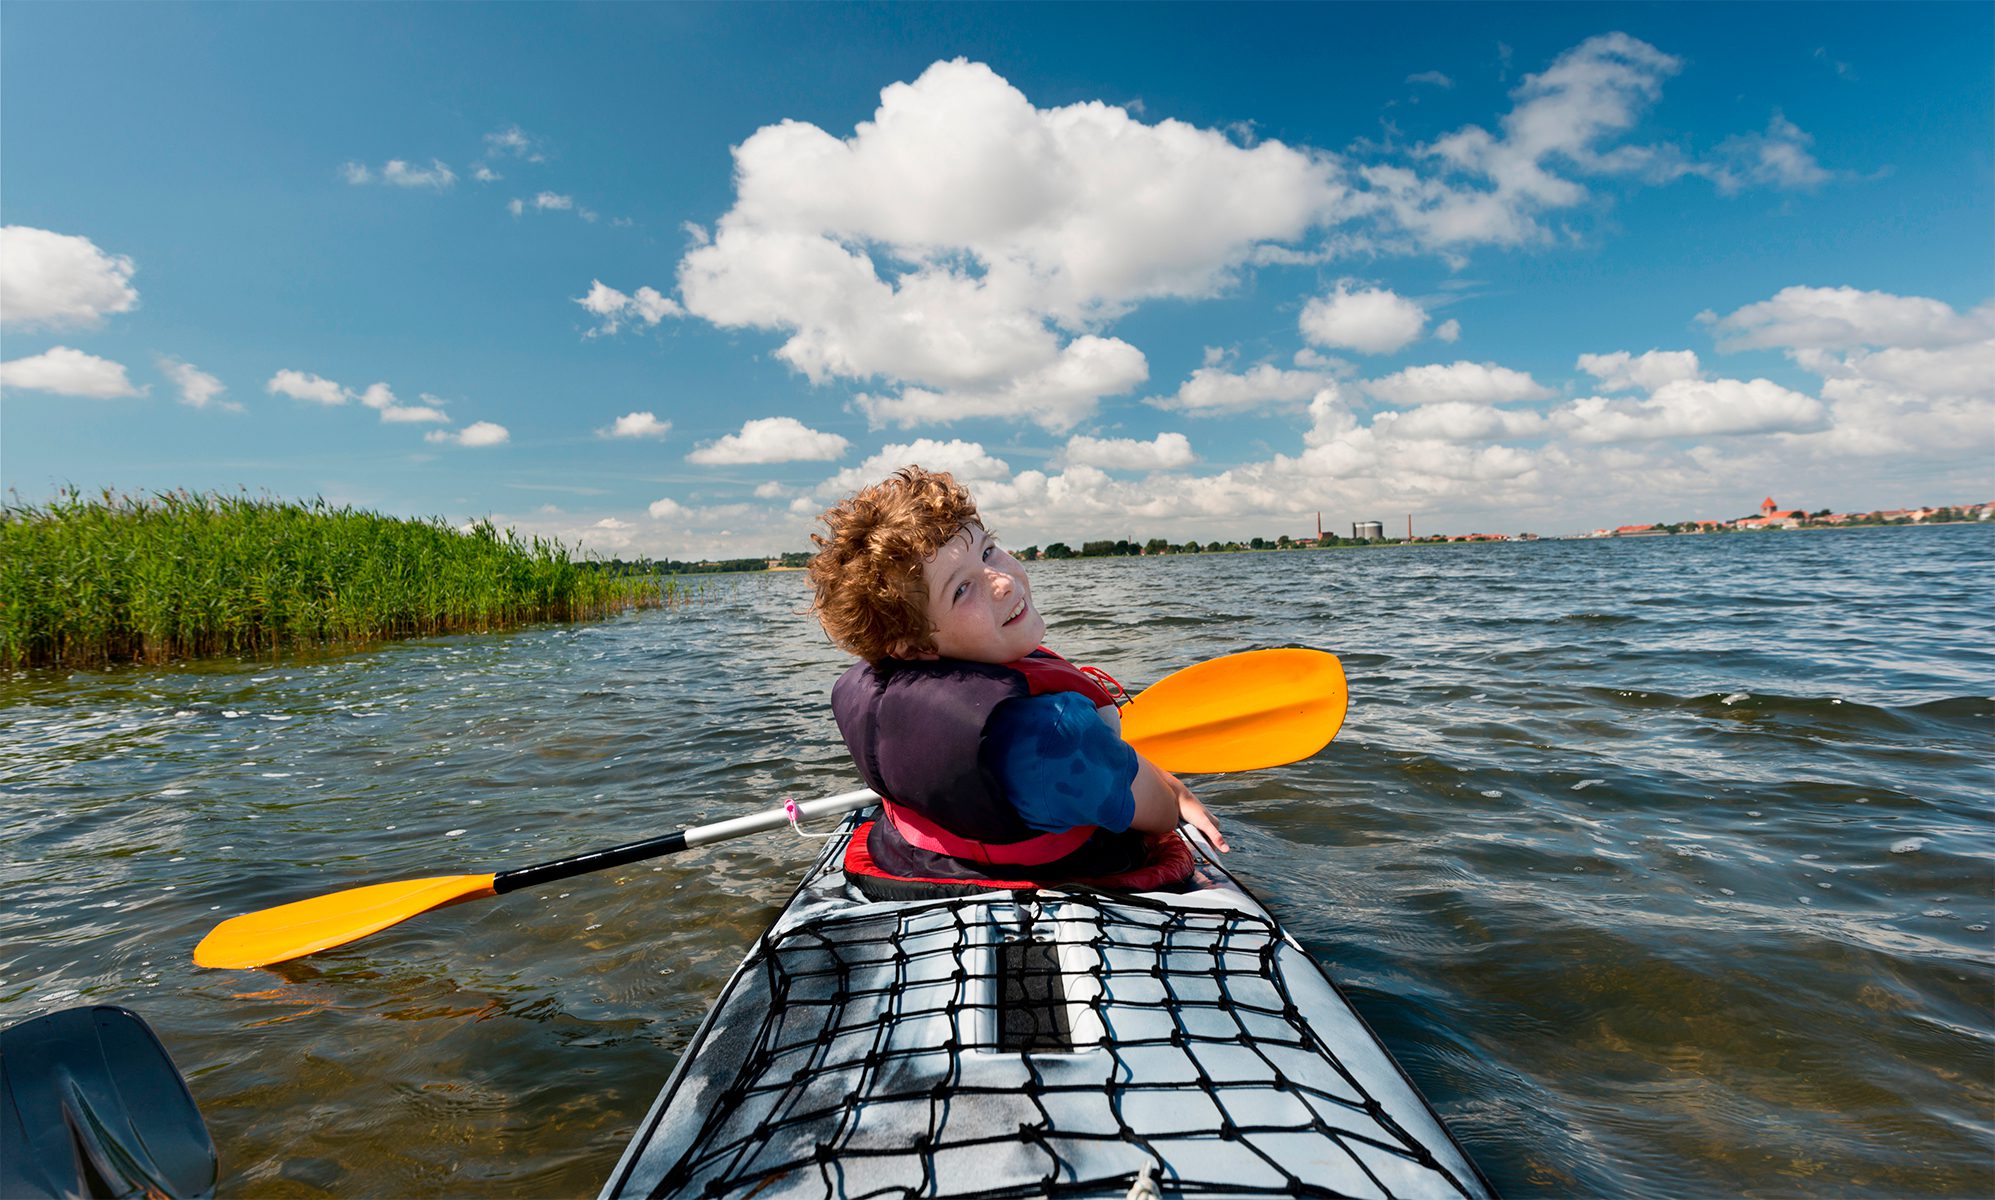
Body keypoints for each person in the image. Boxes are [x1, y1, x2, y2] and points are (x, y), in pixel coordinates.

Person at [807, 465, 1226, 885]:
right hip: (1062, 877)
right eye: (961, 589)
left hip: (911, 864)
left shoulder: (876, 682)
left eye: (988, 551)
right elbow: (1160, 814)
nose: (1003, 581)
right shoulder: (1052, 733)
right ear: (913, 646)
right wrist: (1175, 791)